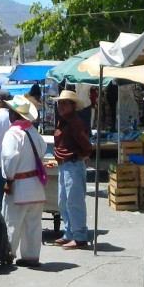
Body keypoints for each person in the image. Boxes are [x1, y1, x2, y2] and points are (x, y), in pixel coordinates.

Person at [1, 95, 47, 267]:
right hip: (35, 185)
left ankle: (8, 253)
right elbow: (42, 150)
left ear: (14, 114)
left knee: (13, 221)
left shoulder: (13, 133)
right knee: (33, 223)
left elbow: (10, 157)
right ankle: (31, 256)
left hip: (19, 184)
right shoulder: (33, 132)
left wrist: (9, 178)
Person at [51, 89, 92, 249]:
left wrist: (82, 154)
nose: (60, 106)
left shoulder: (75, 123)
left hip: (73, 164)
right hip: (66, 164)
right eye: (59, 103)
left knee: (74, 201)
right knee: (64, 201)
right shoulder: (65, 121)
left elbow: (86, 144)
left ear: (72, 105)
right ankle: (69, 233)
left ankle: (79, 236)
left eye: (64, 103)